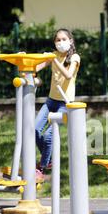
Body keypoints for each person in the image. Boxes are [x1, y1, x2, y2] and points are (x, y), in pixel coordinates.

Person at [34, 28, 80, 179]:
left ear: (70, 41)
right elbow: (35, 66)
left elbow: (68, 75)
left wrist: (53, 60)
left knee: (48, 136)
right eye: (57, 40)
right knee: (34, 129)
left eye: (64, 39)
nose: (61, 43)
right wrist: (26, 60)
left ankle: (41, 168)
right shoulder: (53, 55)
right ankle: (49, 160)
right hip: (50, 101)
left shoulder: (74, 57)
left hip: (64, 104)